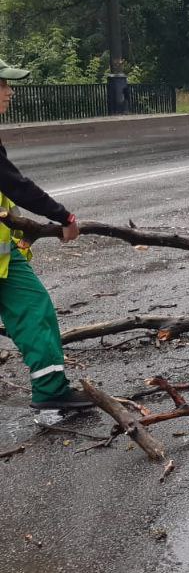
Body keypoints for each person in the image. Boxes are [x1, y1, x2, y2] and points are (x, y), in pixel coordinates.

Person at [0, 60, 91, 411]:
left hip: (5, 259)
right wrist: (63, 215)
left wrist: (23, 234)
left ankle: (51, 389)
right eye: (4, 85)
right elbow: (14, 185)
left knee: (35, 309)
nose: (10, 92)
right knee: (34, 310)